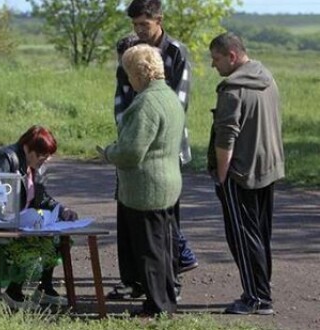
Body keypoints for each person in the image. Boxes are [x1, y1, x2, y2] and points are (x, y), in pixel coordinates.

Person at [107, 0, 197, 301]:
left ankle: (168, 283)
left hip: (165, 147)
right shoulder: (132, 51)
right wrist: (129, 132)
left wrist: (146, 129)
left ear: (159, 20)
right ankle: (135, 280)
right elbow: (121, 98)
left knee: (163, 221)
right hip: (133, 140)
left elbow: (177, 104)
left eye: (144, 24)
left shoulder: (176, 52)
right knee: (128, 213)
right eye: (135, 25)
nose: (139, 30)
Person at [98, 44, 184, 316]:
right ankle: (164, 301)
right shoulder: (169, 97)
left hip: (146, 188)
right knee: (163, 248)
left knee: (149, 252)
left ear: (138, 73)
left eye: (128, 73)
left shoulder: (145, 103)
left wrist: (109, 152)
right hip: (168, 182)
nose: (127, 79)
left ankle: (158, 307)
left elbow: (132, 152)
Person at [208, 32, 284, 315]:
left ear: (232, 56)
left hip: (239, 173)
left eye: (216, 59)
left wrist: (222, 176)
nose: (213, 65)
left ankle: (257, 298)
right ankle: (262, 286)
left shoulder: (232, 88)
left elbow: (226, 137)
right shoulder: (266, 77)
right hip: (268, 167)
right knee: (260, 234)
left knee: (242, 235)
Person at [0, 125, 78, 309]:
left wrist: (62, 210)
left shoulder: (37, 167)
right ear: (27, 148)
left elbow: (41, 198)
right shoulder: (4, 160)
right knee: (32, 248)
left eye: (48, 155)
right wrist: (10, 218)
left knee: (60, 239)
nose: (45, 160)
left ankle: (44, 289)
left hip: (22, 226)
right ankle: (13, 292)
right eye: (42, 155)